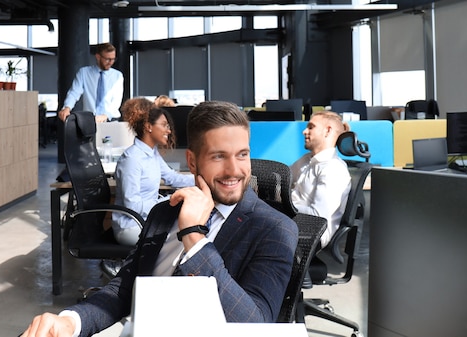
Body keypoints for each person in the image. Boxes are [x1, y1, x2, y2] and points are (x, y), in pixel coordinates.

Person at [21, 101, 299, 337]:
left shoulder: (274, 229)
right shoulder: (164, 213)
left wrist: (194, 237)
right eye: (218, 157)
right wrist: (71, 321)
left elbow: (255, 325)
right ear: (192, 162)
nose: (234, 170)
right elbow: (124, 288)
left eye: (242, 155)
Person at [112, 97, 194, 246]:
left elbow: (171, 177)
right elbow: (133, 205)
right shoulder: (132, 159)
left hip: (147, 221)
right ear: (149, 127)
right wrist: (167, 202)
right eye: (164, 125)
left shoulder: (152, 153)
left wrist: (202, 178)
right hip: (131, 227)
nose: (168, 130)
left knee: (190, 229)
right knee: (183, 237)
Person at [290, 111, 351, 248]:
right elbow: (283, 178)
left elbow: (318, 216)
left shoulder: (333, 169)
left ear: (327, 131)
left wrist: (283, 206)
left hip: (312, 233)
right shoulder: (307, 160)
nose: (304, 132)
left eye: (311, 127)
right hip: (293, 223)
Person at [58, 43, 123, 123]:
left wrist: (105, 116)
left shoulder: (117, 76)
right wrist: (67, 108)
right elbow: (74, 92)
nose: (110, 62)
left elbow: (116, 101)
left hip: (111, 119)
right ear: (98, 57)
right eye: (107, 59)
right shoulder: (84, 73)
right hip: (91, 119)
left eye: (113, 59)